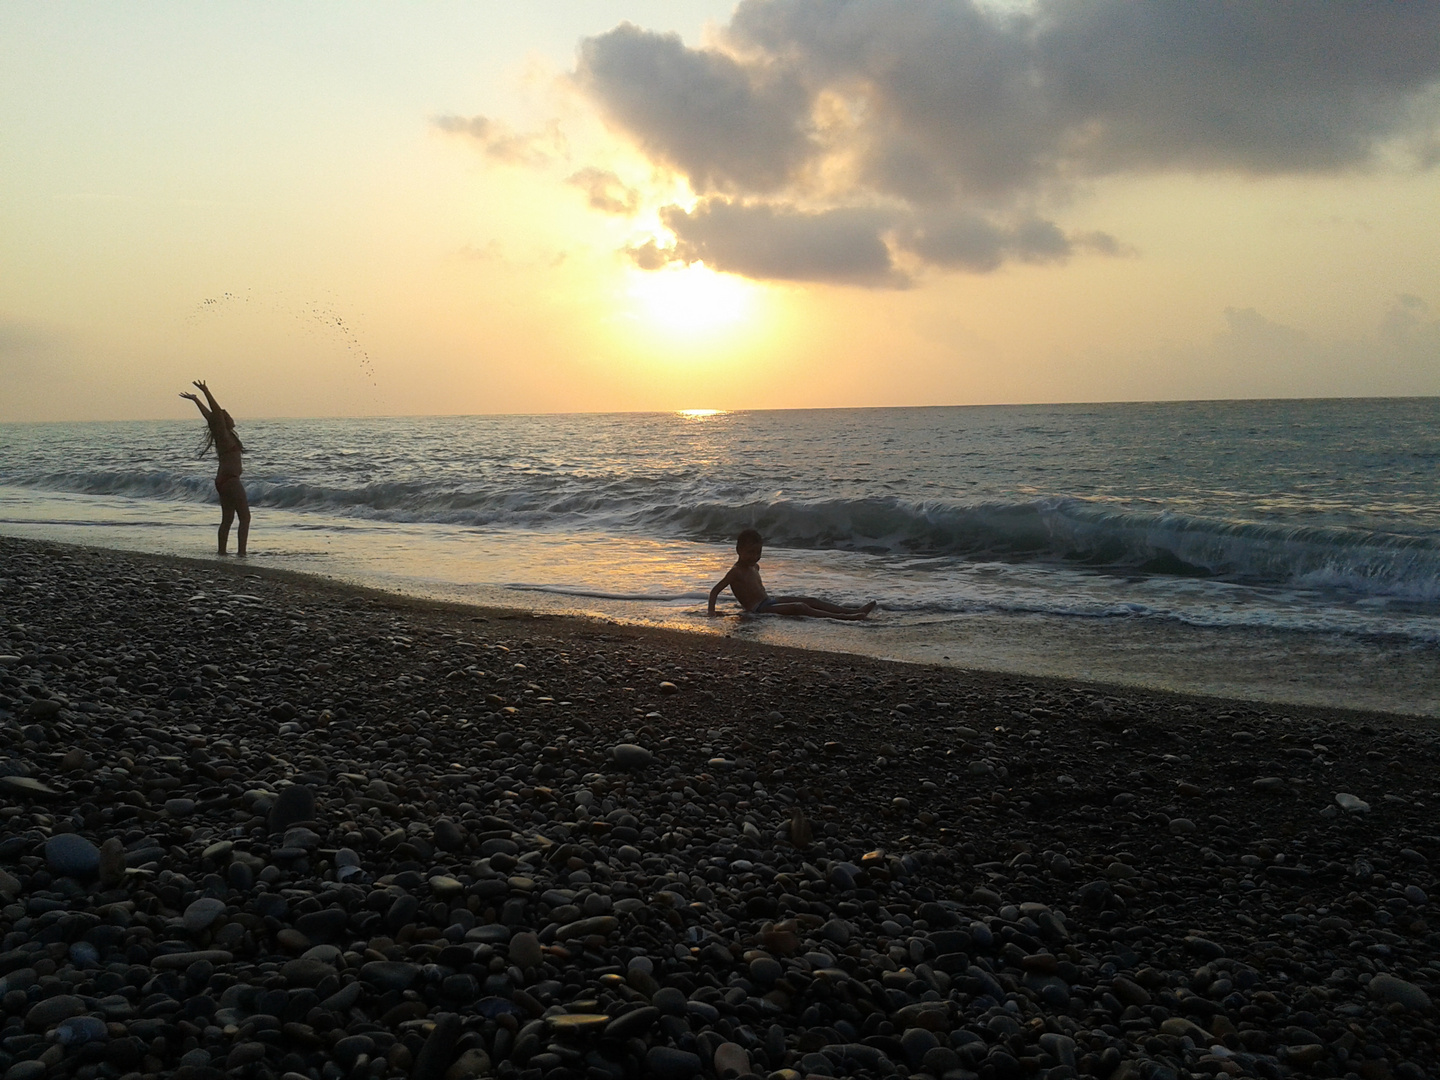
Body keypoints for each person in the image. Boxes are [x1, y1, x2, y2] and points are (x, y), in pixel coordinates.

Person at [708, 528, 876, 620]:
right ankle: (848, 618)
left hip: (768, 601)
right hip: (759, 609)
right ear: (739, 550)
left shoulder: (755, 567)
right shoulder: (735, 572)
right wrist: (711, 613)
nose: (755, 556)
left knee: (809, 600)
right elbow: (715, 591)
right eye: (750, 552)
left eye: (758, 552)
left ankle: (848, 610)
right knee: (799, 607)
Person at [180, 380, 250, 556]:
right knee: (245, 517)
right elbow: (216, 415)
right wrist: (206, 391)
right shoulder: (224, 435)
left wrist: (196, 400)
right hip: (231, 481)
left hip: (223, 481)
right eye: (228, 416)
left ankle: (222, 552)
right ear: (225, 421)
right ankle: (241, 553)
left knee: (227, 519)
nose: (231, 417)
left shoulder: (226, 436)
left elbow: (210, 416)